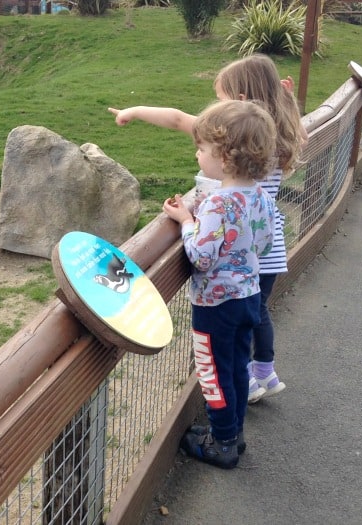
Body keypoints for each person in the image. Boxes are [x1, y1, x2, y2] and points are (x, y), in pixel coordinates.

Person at [108, 54, 307, 404]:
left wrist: (135, 111)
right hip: (265, 242)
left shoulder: (233, 139)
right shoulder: (278, 135)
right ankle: (264, 372)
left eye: (222, 98)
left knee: (235, 319)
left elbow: (176, 119)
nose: (217, 107)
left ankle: (242, 384)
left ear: (242, 100)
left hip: (236, 246)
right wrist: (286, 98)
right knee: (256, 311)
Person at [161, 99, 276, 469]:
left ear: (224, 157)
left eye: (203, 148)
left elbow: (201, 256)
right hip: (248, 296)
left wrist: (185, 221)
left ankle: (222, 442)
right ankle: (234, 433)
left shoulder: (216, 205)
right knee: (237, 366)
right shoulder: (260, 195)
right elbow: (265, 243)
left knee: (213, 371)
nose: (198, 154)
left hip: (215, 304)